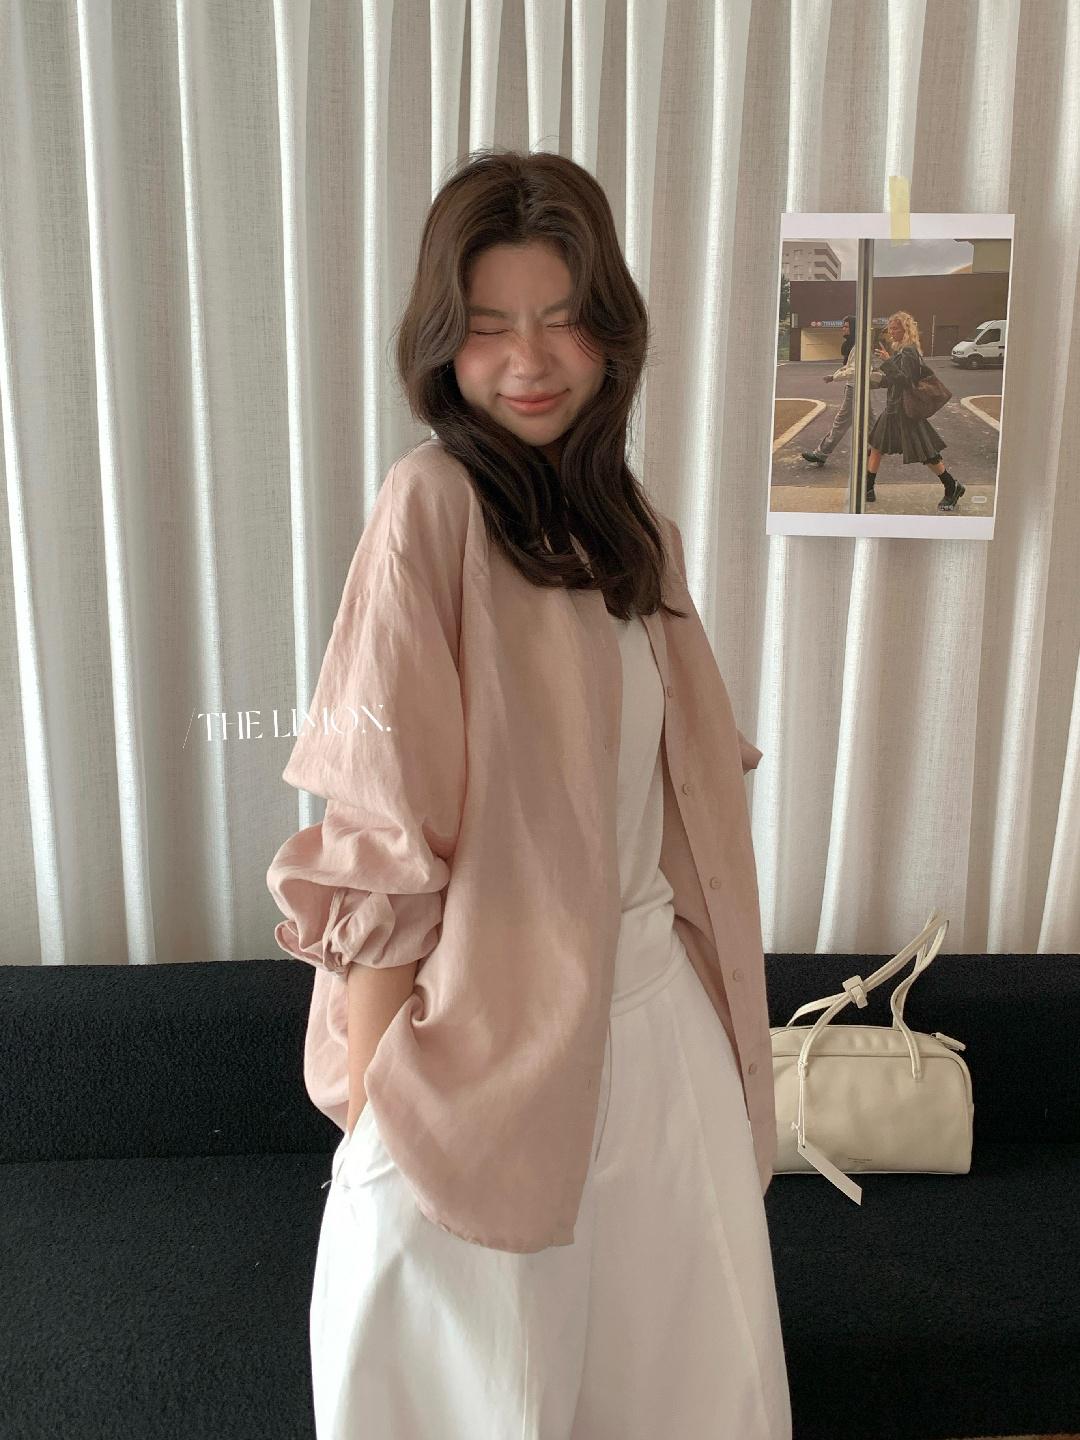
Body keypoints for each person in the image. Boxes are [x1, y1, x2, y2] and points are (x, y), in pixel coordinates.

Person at [266, 147, 792, 1439]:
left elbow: (687, 811)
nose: (529, 361)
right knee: (476, 1401)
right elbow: (383, 830)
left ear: (611, 327)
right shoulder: (430, 508)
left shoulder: (634, 531)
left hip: (662, 1040)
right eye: (491, 326)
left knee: (686, 1399)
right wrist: (376, 1107)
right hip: (490, 1049)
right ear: (442, 343)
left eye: (561, 318)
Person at [867, 310, 964, 512]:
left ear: (906, 330)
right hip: (893, 408)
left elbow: (905, 381)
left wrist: (887, 362)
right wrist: (873, 380)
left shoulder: (909, 352)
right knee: (876, 446)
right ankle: (868, 488)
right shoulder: (902, 351)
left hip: (904, 411)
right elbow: (894, 380)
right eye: (890, 328)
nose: (891, 332)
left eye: (895, 328)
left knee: (926, 453)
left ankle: (952, 486)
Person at [800, 313, 879, 467]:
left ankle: (821, 454)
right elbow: (849, 367)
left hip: (855, 389)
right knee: (869, 421)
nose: (843, 329)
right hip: (859, 387)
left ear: (854, 328)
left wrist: (835, 377)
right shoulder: (856, 345)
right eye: (843, 326)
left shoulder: (860, 347)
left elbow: (854, 370)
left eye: (846, 326)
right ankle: (879, 447)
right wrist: (834, 376)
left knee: (841, 422)